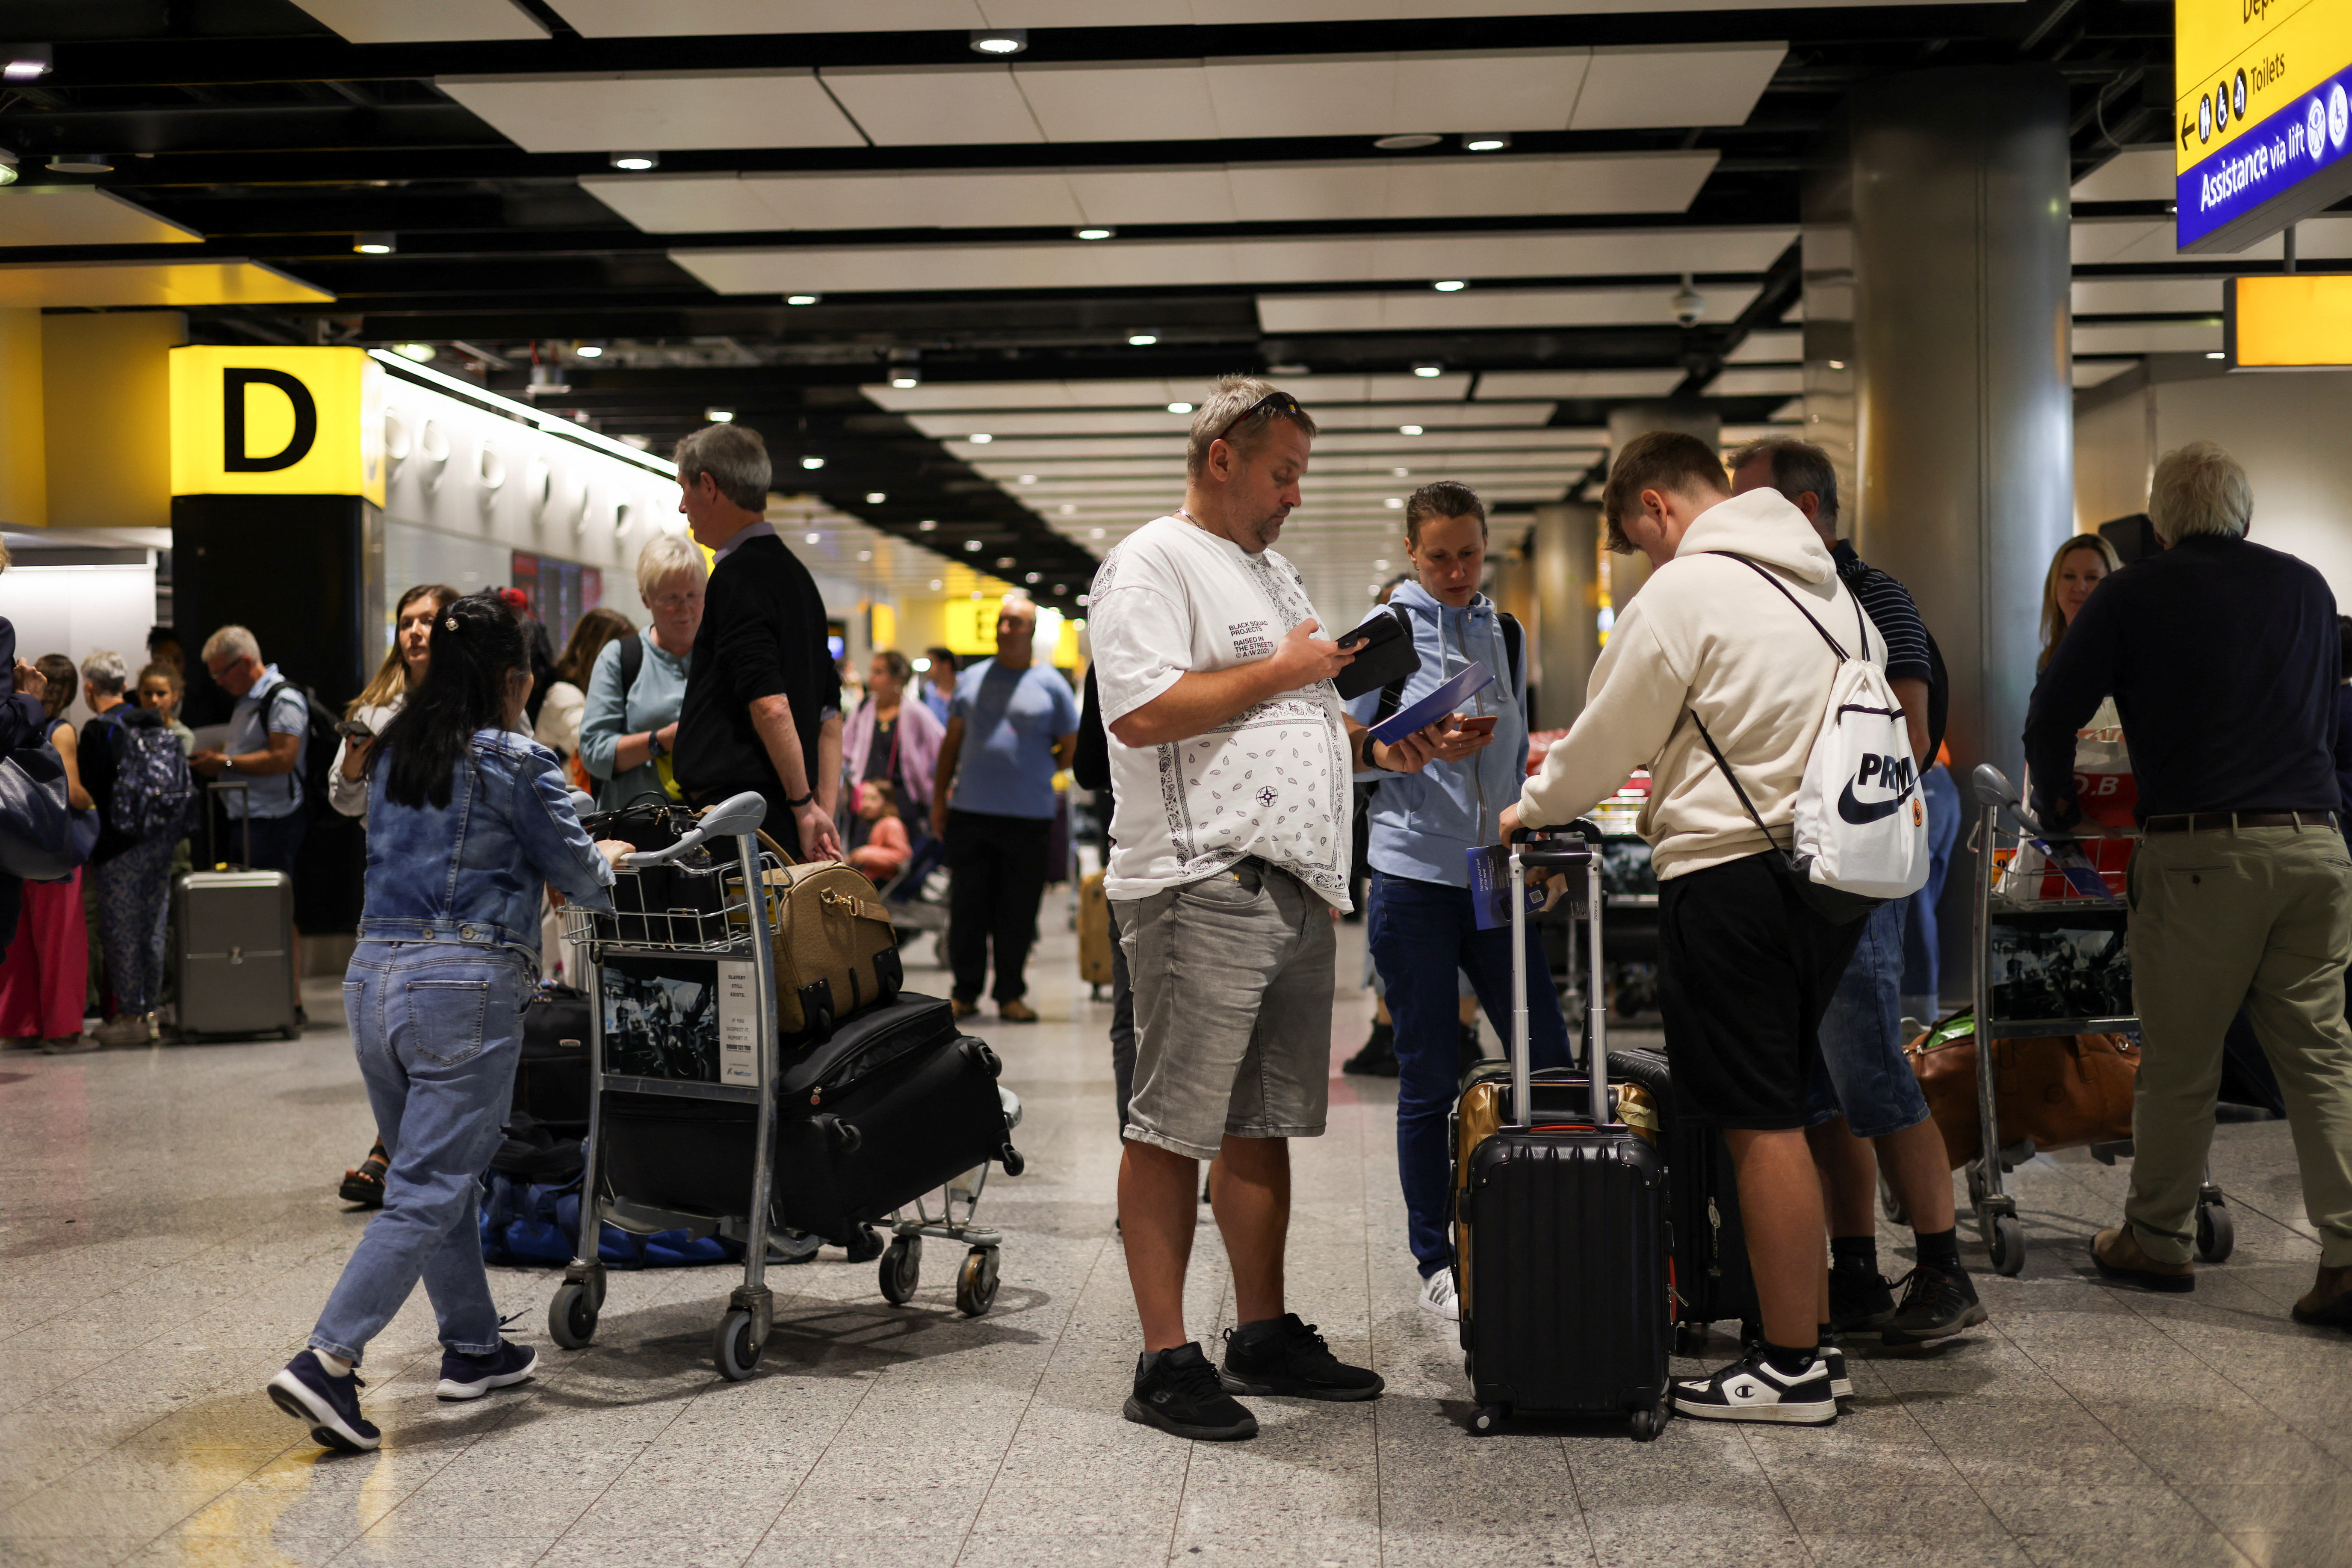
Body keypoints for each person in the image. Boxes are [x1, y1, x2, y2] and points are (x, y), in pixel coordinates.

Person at [1092, 375, 1448, 1442]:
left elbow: (1301, 710)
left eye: (1302, 474)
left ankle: (1259, 1329)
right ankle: (1163, 1356)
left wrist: (1385, 737)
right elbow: (1144, 709)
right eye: (1282, 471)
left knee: (1262, 1120)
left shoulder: (1273, 571)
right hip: (1199, 881)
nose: (1295, 492)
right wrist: (1286, 668)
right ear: (1222, 459)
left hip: (1290, 885)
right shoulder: (1149, 562)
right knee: (1169, 1125)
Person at [1500, 428, 1878, 1426]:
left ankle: (1789, 1361)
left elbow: (1606, 735)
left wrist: (1530, 805)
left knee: (1755, 1118)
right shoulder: (1828, 591)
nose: (1647, 556)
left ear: (1658, 505)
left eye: (1640, 536)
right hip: (1829, 878)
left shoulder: (1685, 589)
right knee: (1789, 1102)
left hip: (1728, 872)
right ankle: (1807, 1336)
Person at [265, 591, 629, 1453]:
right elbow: (579, 880)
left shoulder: (391, 751)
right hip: (460, 991)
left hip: (371, 985)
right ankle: (328, 1361)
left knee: (437, 1181)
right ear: (511, 679)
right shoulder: (519, 758)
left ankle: (473, 1346)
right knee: (428, 1188)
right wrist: (603, 859)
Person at [2025, 442, 2352, 1327]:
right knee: (2320, 1057)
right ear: (2241, 513)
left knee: (2179, 1057)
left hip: (2203, 852)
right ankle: (2348, 1253)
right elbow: (2329, 717)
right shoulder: (2305, 586)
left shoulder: (2134, 591)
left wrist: (2058, 810)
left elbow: (2053, 705)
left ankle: (2158, 1237)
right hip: (2314, 846)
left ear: (2160, 523)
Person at [1729, 437, 1983, 1347]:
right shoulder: (1778, 600)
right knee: (1818, 1089)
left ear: (1802, 509)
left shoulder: (1873, 597)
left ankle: (1944, 1267)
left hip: (1850, 878)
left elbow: (1907, 738)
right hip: (1794, 879)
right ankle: (1854, 1269)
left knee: (1872, 1072)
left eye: (1747, 505)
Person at [1347, 480, 1565, 1323]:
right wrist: (1397, 745)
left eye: (1468, 553)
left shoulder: (1502, 631)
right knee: (1428, 1072)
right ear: (1410, 552)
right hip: (1410, 876)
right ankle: (1433, 1256)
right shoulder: (1386, 632)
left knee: (1544, 1054)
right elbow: (1338, 742)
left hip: (1492, 872)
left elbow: (1513, 762)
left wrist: (1529, 835)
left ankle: (1549, 1214)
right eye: (1436, 556)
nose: (1454, 570)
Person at [327, 585, 459, 1207]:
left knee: (440, 1028)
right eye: (406, 622)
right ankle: (395, 1145)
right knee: (386, 1028)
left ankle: (397, 1151)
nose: (414, 632)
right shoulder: (376, 710)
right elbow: (344, 800)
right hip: (392, 890)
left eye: (428, 620)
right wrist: (354, 764)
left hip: (462, 887)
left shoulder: (477, 704)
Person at [669, 423, 844, 859]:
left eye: (685, 490)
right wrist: (820, 813)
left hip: (740, 823)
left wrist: (805, 808)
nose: (681, 506)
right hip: (779, 818)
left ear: (708, 486)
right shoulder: (800, 579)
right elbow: (830, 716)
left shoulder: (736, 577)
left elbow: (769, 703)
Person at [928, 597, 1079, 1023]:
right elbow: (951, 745)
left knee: (1018, 910)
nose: (1006, 628)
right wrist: (939, 800)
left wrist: (1038, 767)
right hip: (971, 813)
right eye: (1002, 621)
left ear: (1030, 630)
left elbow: (1071, 746)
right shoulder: (971, 680)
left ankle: (1010, 994)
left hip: (1028, 817)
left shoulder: (1051, 684)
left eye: (1015, 622)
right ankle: (965, 991)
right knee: (967, 907)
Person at [190, 626, 310, 986]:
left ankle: (289, 998)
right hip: (247, 817)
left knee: (275, 909)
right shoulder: (249, 700)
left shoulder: (283, 698)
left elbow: (284, 758)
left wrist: (225, 764)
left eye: (221, 673)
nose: (218, 682)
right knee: (254, 908)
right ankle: (262, 992)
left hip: (274, 819)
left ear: (244, 663)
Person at [80, 650, 185, 1049]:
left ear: (89, 689)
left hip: (118, 844)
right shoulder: (151, 722)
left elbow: (89, 793)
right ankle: (153, 1009)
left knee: (121, 929)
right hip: (159, 839)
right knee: (154, 925)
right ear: (124, 686)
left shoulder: (98, 730)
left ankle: (129, 1015)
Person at [0, 657, 94, 1052]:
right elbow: (72, 791)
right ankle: (63, 1028)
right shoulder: (62, 731)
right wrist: (93, 806)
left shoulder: (20, 724)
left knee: (19, 943)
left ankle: (20, 1024)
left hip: (14, 844)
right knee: (60, 941)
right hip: (49, 846)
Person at [580, 536, 704, 812]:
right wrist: (660, 741)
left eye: (693, 596)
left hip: (710, 832)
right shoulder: (621, 658)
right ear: (646, 598)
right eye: (671, 598)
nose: (685, 609)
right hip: (636, 837)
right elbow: (593, 751)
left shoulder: (720, 656)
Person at [843, 650, 942, 840]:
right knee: (862, 857)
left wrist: (935, 782)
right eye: (872, 671)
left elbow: (941, 745)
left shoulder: (915, 711)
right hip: (867, 797)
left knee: (899, 858)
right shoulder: (864, 708)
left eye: (879, 672)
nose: (871, 678)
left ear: (897, 679)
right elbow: (844, 748)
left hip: (901, 800)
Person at [535, 607, 635, 768]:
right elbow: (597, 748)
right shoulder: (564, 695)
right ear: (597, 653)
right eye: (622, 653)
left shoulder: (599, 694)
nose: (631, 661)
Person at [847, 780, 912, 883]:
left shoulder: (892, 823)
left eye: (874, 799)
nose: (867, 804)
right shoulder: (877, 823)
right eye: (865, 798)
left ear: (887, 802)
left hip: (881, 882)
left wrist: (868, 854)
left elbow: (902, 857)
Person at [138, 662, 196, 756]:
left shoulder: (181, 736)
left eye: (161, 694)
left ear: (175, 696)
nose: (154, 700)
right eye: (148, 694)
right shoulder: (132, 732)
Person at [919, 648, 957, 726]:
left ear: (946, 665)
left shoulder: (966, 688)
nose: (928, 668)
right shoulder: (926, 693)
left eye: (931, 663)